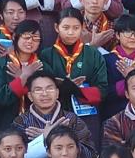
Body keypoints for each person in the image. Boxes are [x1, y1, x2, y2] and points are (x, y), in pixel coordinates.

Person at [39, 8, 108, 142]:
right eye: (66, 27)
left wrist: (77, 90)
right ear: (56, 27)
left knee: (88, 153)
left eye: (76, 28)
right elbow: (41, 84)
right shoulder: (46, 55)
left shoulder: (92, 54)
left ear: (82, 28)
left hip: (87, 113)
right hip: (55, 113)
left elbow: (103, 89)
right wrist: (62, 87)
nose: (70, 32)